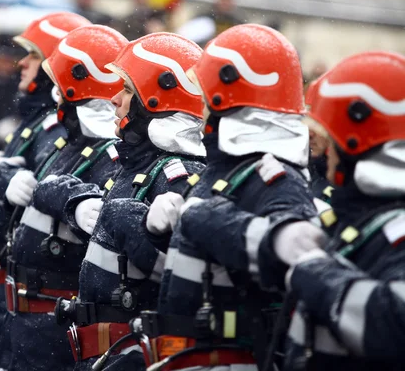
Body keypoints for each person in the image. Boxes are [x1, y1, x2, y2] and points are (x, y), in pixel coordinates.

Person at [138, 24, 317, 370]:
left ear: (228, 96)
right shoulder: (225, 171)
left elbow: (291, 257)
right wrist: (160, 233)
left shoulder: (275, 179)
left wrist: (202, 218)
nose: (200, 105)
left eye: (206, 93)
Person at [43, 32, 207, 370]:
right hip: (99, 353)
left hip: (128, 353)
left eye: (128, 90)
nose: (115, 99)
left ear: (156, 102)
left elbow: (182, 279)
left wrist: (138, 227)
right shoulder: (138, 164)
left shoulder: (177, 174)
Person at [0, 12, 90, 371]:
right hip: (1, 291)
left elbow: (35, 186)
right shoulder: (37, 117)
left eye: (33, 55)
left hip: (19, 294)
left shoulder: (57, 124)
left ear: (53, 65)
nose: (22, 62)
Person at [262, 51, 405, 371]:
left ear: (358, 140)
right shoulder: (362, 213)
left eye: (331, 133)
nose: (321, 141)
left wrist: (319, 276)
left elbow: (397, 323)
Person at [0, 24, 128, 371]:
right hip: (24, 317)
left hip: (52, 320)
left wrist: (68, 198)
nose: (55, 94)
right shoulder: (69, 143)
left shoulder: (109, 155)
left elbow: (106, 220)